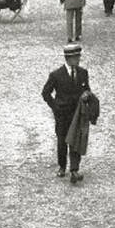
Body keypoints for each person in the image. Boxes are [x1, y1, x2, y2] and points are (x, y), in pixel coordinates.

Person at [41, 43, 91, 183]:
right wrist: (55, 107)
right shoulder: (56, 75)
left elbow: (87, 89)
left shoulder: (83, 73)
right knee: (62, 141)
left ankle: (74, 170)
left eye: (79, 57)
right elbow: (45, 93)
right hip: (62, 115)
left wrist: (87, 95)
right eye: (76, 57)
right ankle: (62, 166)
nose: (78, 59)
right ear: (68, 59)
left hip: (77, 114)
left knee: (75, 141)